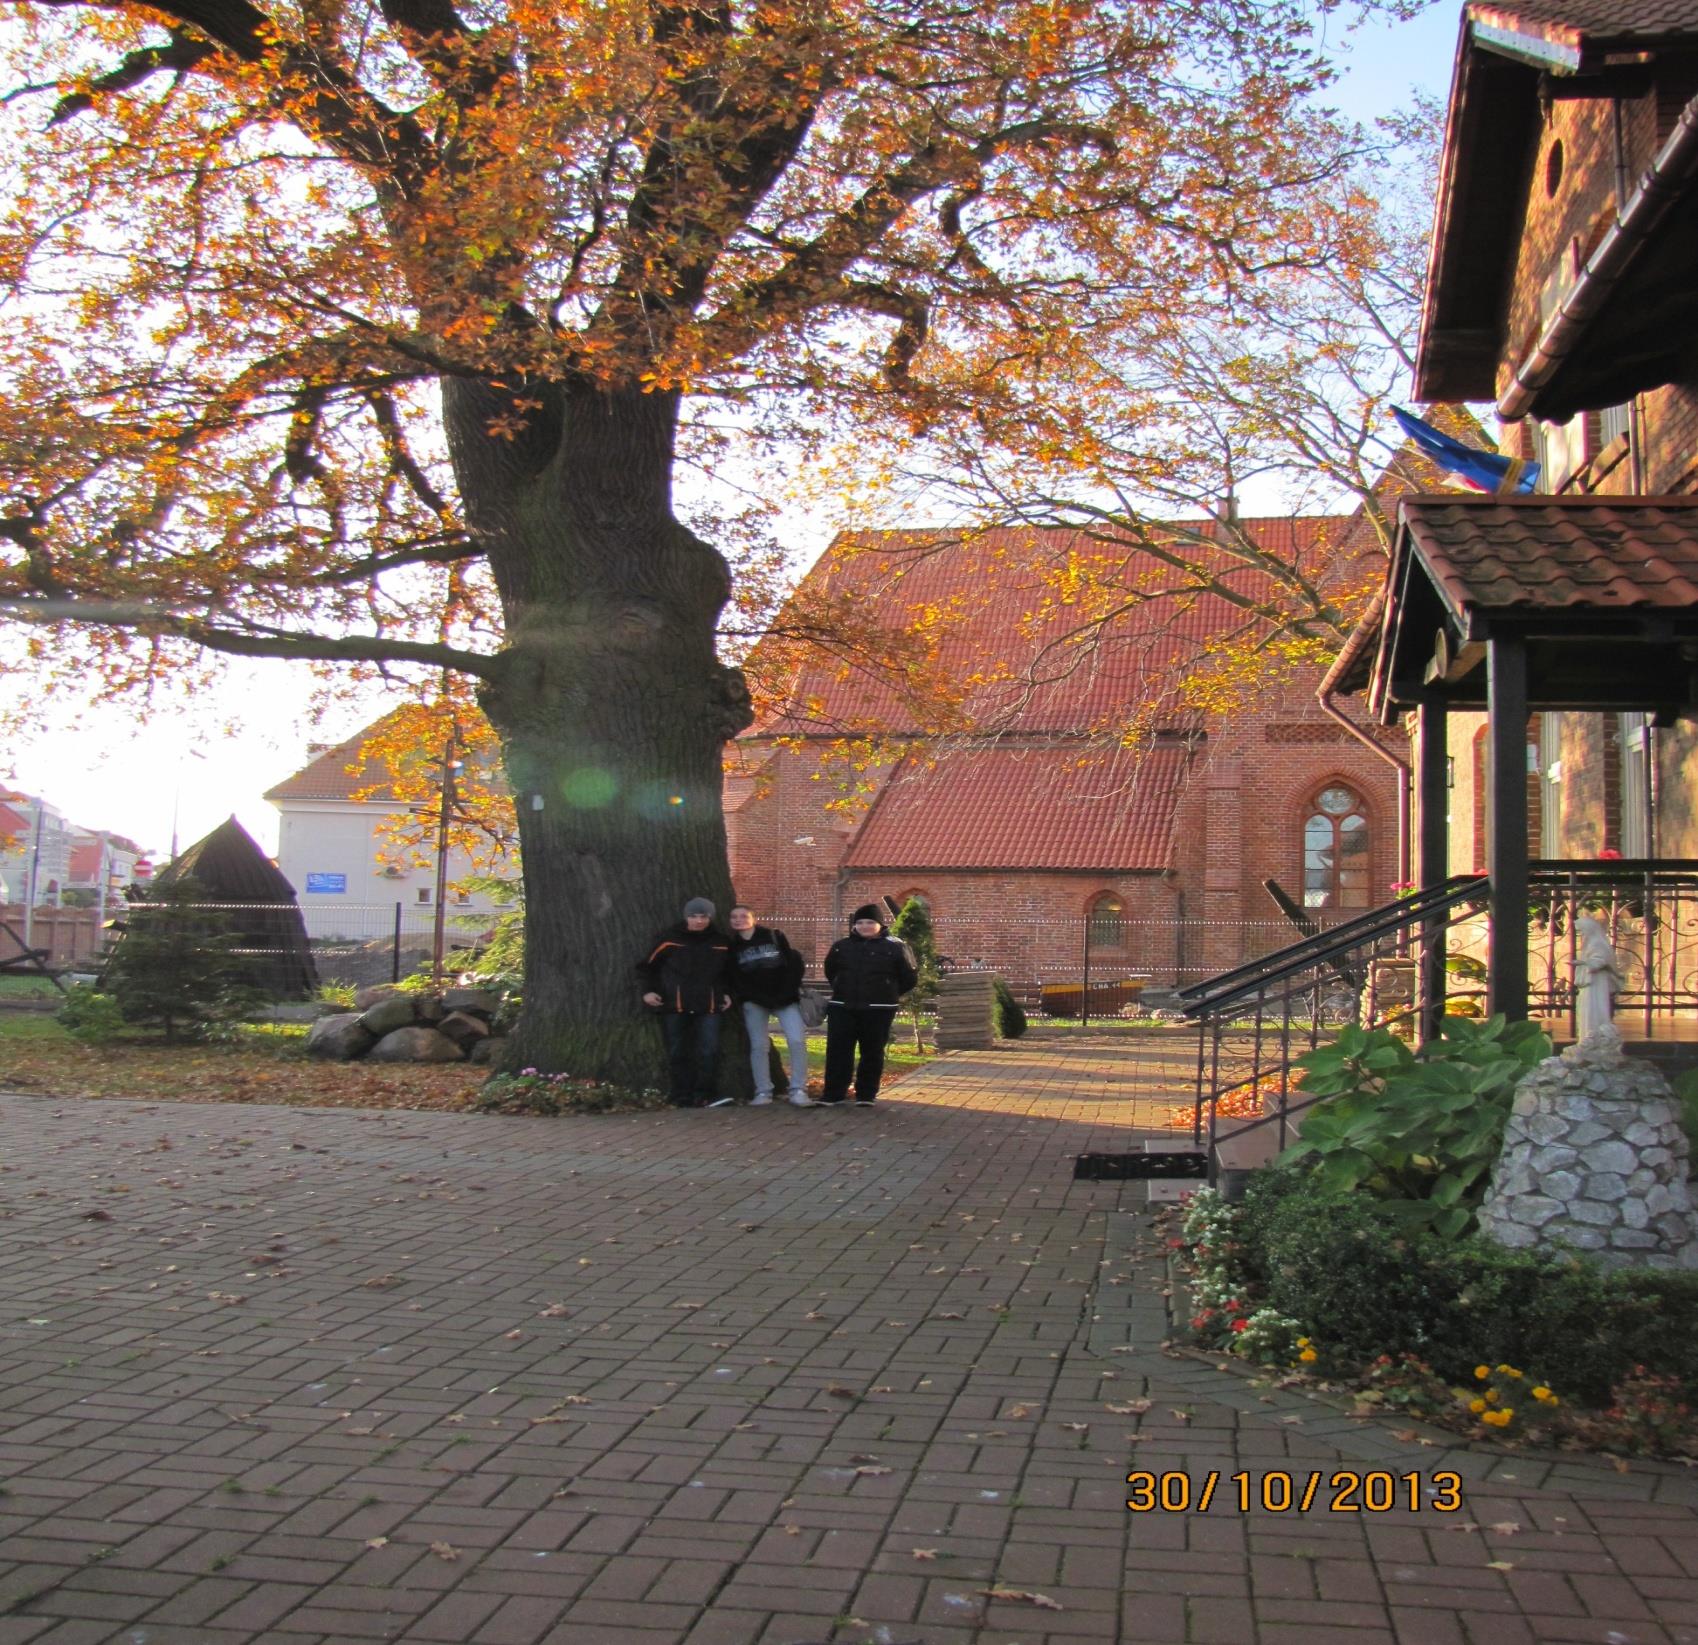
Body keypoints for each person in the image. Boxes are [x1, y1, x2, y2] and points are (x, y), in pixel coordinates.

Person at [637, 897, 734, 1108]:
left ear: (710, 918)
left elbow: (728, 973)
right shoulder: (670, 939)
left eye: (703, 916)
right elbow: (648, 967)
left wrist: (726, 993)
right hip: (675, 1004)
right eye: (693, 916)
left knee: (709, 1050)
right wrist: (648, 991)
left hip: (709, 1005)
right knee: (678, 1051)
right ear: (686, 917)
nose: (698, 921)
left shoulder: (720, 942)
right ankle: (681, 1095)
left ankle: (704, 1095)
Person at [821, 903, 918, 1105]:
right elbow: (831, 970)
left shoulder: (896, 947)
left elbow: (909, 977)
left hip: (879, 1009)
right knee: (838, 1051)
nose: (864, 926)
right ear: (854, 925)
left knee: (872, 1051)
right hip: (843, 1006)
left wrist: (887, 993)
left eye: (870, 922)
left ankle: (866, 1094)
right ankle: (834, 1093)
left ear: (880, 925)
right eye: (860, 922)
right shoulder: (841, 946)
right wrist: (841, 987)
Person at [727, 905, 814, 1107]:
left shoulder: (774, 936)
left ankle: (799, 1089)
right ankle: (763, 1091)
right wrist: (755, 997)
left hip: (785, 999)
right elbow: (735, 978)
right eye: (734, 917)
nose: (738, 920)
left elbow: (794, 965)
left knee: (797, 1041)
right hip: (755, 1001)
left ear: (753, 918)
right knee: (758, 1046)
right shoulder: (732, 946)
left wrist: (785, 993)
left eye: (743, 916)